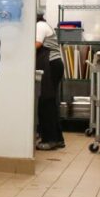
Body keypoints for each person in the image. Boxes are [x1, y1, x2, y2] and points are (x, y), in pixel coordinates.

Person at [35, 13, 65, 150]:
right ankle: (57, 139)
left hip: (50, 64)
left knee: (46, 101)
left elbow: (37, 44)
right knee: (50, 102)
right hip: (53, 64)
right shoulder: (43, 25)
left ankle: (50, 140)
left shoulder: (39, 25)